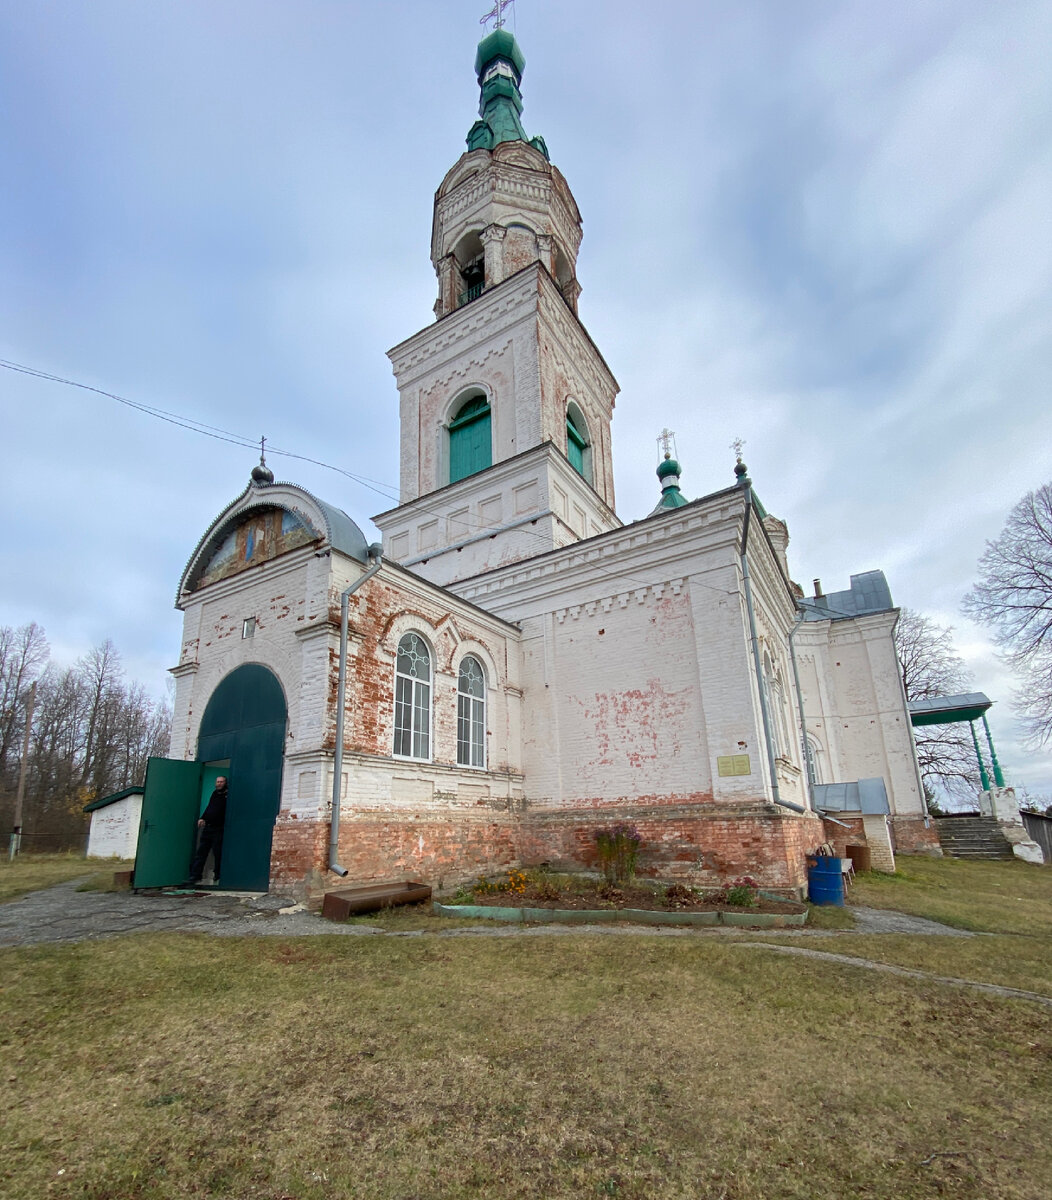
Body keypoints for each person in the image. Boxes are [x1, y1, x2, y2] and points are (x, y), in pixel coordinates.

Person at [189, 775, 228, 886]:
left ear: (225, 783)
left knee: (218, 853)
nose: (219, 784)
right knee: (201, 853)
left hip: (218, 828)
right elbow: (209, 807)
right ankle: (195, 876)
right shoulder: (215, 794)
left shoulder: (227, 795)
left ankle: (218, 875)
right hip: (208, 828)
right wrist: (203, 818)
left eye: (221, 782)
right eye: (217, 782)